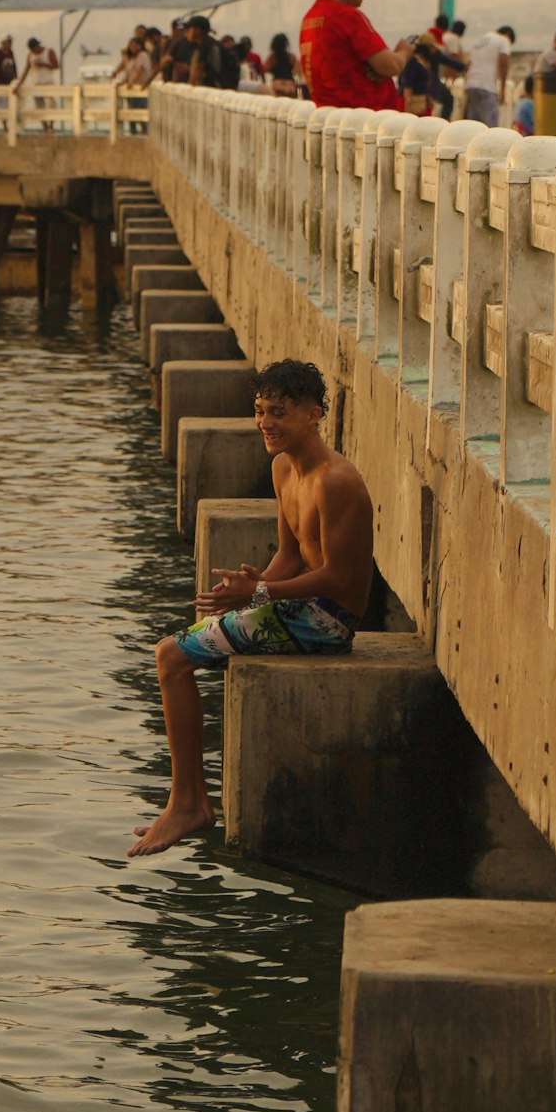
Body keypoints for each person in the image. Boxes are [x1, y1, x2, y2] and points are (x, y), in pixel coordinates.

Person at [129, 359, 375, 856]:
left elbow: (340, 578)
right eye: (260, 411)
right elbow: (290, 555)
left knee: (169, 656)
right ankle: (192, 796)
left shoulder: (337, 481)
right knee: (194, 634)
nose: (266, 423)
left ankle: (188, 804)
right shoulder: (283, 467)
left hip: (328, 624)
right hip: (296, 609)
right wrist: (254, 583)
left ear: (315, 414)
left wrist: (258, 596)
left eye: (279, 413)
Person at [299, 0, 412, 110]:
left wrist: (374, 68)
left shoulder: (309, 19)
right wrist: (404, 52)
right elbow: (390, 65)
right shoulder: (346, 16)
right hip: (365, 124)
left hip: (330, 118)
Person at [464, 26, 515, 126]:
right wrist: (503, 90)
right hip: (486, 87)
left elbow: (468, 64)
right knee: (490, 130)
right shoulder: (503, 40)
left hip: (471, 86)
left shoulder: (480, 40)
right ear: (508, 34)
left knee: (474, 128)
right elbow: (504, 62)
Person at [18, 35, 60, 131]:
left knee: (52, 105)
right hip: (36, 84)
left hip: (48, 82)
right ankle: (44, 126)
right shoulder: (30, 55)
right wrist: (19, 83)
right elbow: (26, 70)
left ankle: (51, 126)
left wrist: (44, 64)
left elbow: (56, 65)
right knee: (39, 106)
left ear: (37, 46)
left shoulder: (49, 51)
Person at [265, 31, 300, 98]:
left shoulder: (271, 58)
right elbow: (298, 72)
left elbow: (265, 69)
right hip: (290, 85)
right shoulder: (291, 57)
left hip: (277, 84)